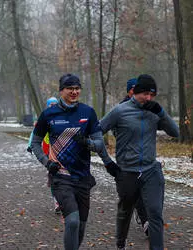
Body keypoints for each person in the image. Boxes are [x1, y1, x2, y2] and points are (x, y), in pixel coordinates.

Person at [100, 74, 179, 250]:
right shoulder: (120, 111)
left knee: (155, 214)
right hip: (127, 172)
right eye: (145, 94)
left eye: (152, 95)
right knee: (125, 211)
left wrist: (161, 112)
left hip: (151, 171)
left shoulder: (154, 111)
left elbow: (175, 132)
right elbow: (98, 130)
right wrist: (107, 160)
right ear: (135, 92)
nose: (149, 98)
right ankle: (120, 243)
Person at [31, 73, 110, 250]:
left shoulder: (88, 113)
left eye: (77, 88)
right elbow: (35, 143)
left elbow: (99, 144)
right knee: (72, 221)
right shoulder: (48, 114)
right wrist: (46, 162)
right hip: (60, 176)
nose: (74, 92)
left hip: (83, 177)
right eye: (70, 88)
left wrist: (87, 143)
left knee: (80, 226)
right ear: (61, 91)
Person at [120, 78, 149, 236]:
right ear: (129, 91)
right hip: (128, 158)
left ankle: (147, 216)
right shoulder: (121, 109)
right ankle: (146, 221)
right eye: (134, 88)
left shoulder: (148, 107)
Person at [27, 96, 61, 213]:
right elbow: (34, 133)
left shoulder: (62, 116)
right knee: (53, 175)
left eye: (54, 104)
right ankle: (57, 202)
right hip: (47, 152)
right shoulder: (44, 117)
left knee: (62, 176)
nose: (52, 106)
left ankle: (63, 199)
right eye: (50, 104)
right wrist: (30, 145)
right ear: (47, 105)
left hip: (61, 150)